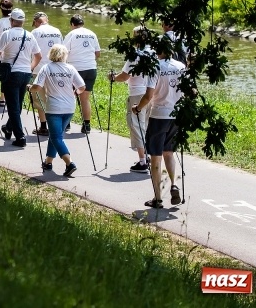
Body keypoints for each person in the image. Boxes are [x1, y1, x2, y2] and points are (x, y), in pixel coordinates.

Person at [132, 41, 187, 208]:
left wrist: (138, 108)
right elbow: (190, 90)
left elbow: (149, 95)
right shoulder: (181, 66)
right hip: (176, 115)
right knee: (169, 153)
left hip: (159, 115)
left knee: (155, 157)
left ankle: (157, 198)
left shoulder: (155, 67)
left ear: (158, 51)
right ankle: (174, 184)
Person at [30, 44, 84, 177]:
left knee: (56, 137)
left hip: (54, 108)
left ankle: (69, 163)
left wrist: (29, 88)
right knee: (56, 136)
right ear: (64, 55)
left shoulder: (46, 68)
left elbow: (37, 87)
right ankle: (48, 162)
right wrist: (75, 93)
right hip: (69, 107)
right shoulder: (70, 68)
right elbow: (82, 86)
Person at [0, 8, 41, 147]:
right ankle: (8, 128)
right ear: (23, 21)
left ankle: (20, 137)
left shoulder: (7, 34)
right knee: (16, 104)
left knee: (13, 106)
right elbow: (38, 56)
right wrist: (30, 67)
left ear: (11, 20)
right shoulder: (30, 35)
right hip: (25, 73)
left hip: (11, 73)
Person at [110, 26, 155, 174]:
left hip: (137, 94)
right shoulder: (154, 52)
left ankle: (143, 162)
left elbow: (124, 76)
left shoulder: (135, 54)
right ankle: (147, 157)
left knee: (136, 126)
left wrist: (113, 78)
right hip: (151, 93)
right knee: (146, 126)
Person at [63, 14, 101, 133]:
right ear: (82, 23)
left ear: (72, 24)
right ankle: (87, 125)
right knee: (85, 99)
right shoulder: (92, 33)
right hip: (90, 69)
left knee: (70, 96)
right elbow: (98, 53)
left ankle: (66, 123)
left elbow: (63, 53)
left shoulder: (71, 34)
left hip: (76, 69)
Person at [30, 11, 63, 135]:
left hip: (39, 69)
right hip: (55, 68)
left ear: (37, 22)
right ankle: (57, 125)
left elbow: (31, 51)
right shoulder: (57, 31)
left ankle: (43, 126)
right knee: (54, 97)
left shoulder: (35, 32)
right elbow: (62, 50)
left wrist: (30, 67)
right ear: (47, 20)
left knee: (40, 99)